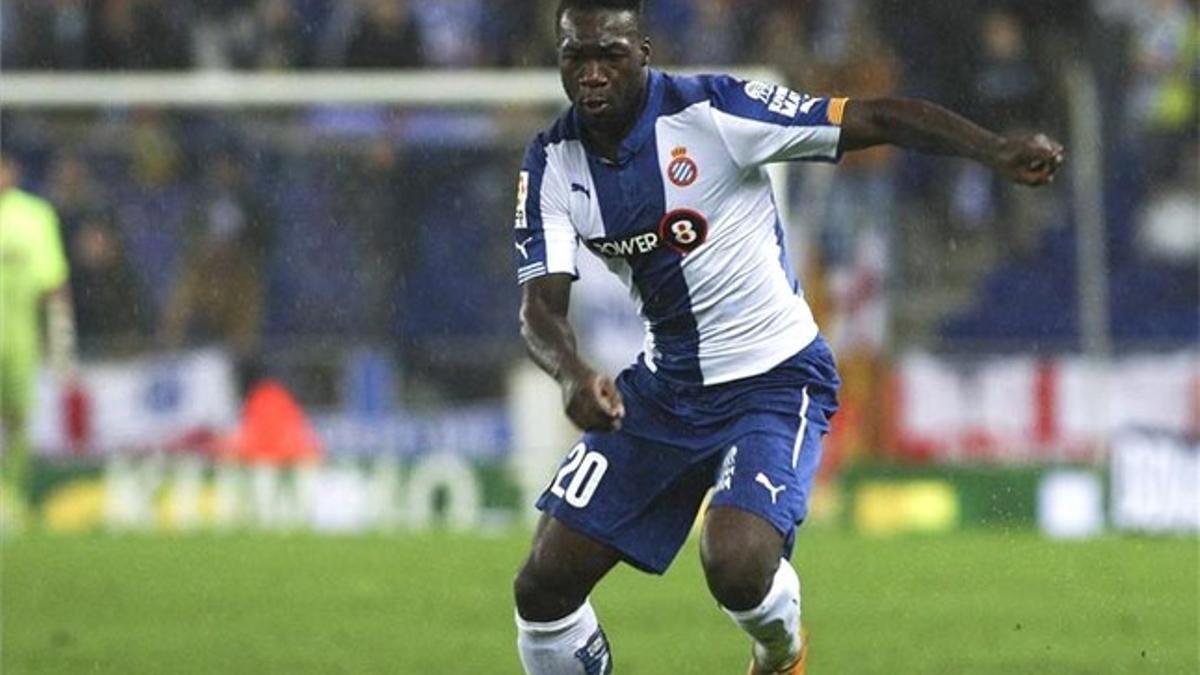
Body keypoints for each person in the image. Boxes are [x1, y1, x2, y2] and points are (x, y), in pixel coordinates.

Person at [510, 2, 1065, 673]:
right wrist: (572, 372)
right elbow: (540, 310)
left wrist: (993, 149)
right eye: (577, 58)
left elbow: (876, 117)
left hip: (775, 381)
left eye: (610, 56)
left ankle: (782, 650)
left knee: (736, 563)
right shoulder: (551, 163)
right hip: (665, 391)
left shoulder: (715, 112)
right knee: (543, 585)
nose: (592, 74)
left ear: (645, 51)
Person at [0, 153, 76, 508]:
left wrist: (62, 345)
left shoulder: (34, 216)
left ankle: (11, 495)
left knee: (19, 417)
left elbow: (54, 282)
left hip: (19, 338)